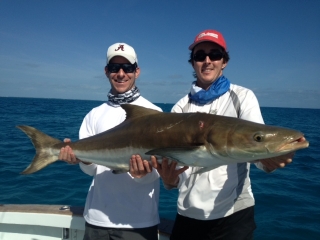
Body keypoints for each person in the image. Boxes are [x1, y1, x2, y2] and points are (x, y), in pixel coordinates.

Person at [151, 29, 295, 240]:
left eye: (214, 55)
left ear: (224, 61)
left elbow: (256, 146)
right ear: (193, 63)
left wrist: (268, 161)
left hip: (233, 216)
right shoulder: (180, 109)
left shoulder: (243, 97)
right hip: (188, 215)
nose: (207, 61)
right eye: (200, 56)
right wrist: (170, 181)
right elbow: (175, 174)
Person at [59, 42, 162, 240]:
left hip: (138, 222)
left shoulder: (154, 114)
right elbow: (91, 170)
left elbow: (158, 171)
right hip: (97, 219)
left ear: (137, 71)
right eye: (115, 68)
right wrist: (83, 160)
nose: (121, 73)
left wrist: (143, 175)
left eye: (128, 68)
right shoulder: (94, 115)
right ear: (107, 72)